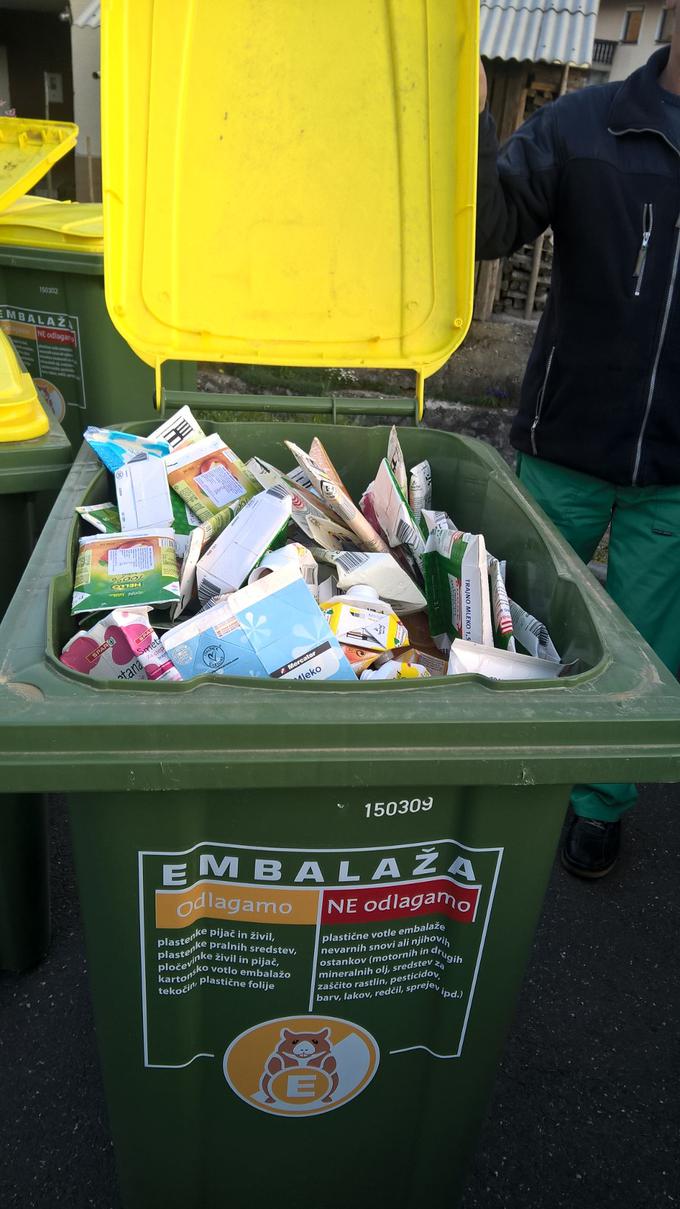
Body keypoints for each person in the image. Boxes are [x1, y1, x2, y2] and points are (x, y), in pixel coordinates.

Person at [476, 22, 680, 878]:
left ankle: (599, 803)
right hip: (564, 442)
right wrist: (469, 129)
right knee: (521, 628)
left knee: (647, 655)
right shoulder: (586, 126)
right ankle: (498, 780)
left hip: (675, 475)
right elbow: (490, 228)